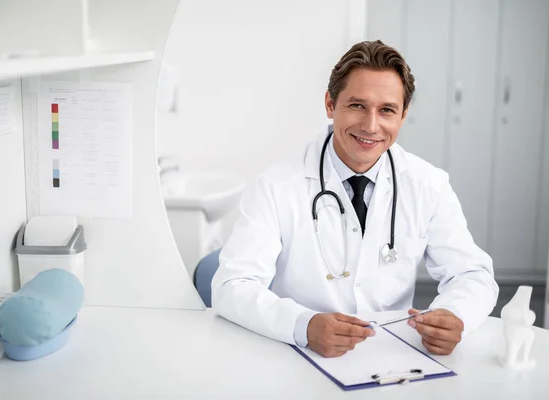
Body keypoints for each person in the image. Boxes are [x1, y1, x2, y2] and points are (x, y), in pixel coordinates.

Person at [211, 40, 499, 358]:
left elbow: (472, 274)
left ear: (403, 116)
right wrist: (302, 325)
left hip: (390, 358)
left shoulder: (428, 185)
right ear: (330, 105)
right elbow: (231, 286)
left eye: (387, 110)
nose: (371, 126)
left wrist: (455, 314)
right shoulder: (276, 186)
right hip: (298, 355)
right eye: (357, 106)